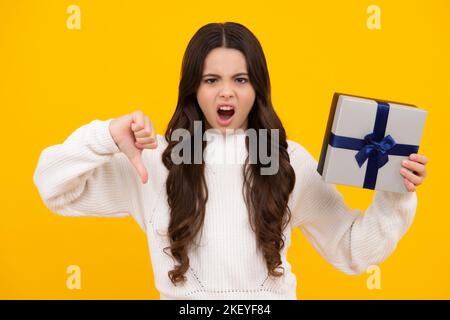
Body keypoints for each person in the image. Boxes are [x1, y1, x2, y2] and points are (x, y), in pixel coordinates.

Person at [33, 22, 428, 300]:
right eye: (211, 80)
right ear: (193, 88)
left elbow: (352, 250)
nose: (227, 93)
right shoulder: (154, 159)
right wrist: (106, 136)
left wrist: (396, 195)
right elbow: (54, 190)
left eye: (240, 79)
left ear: (257, 88)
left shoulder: (289, 160)